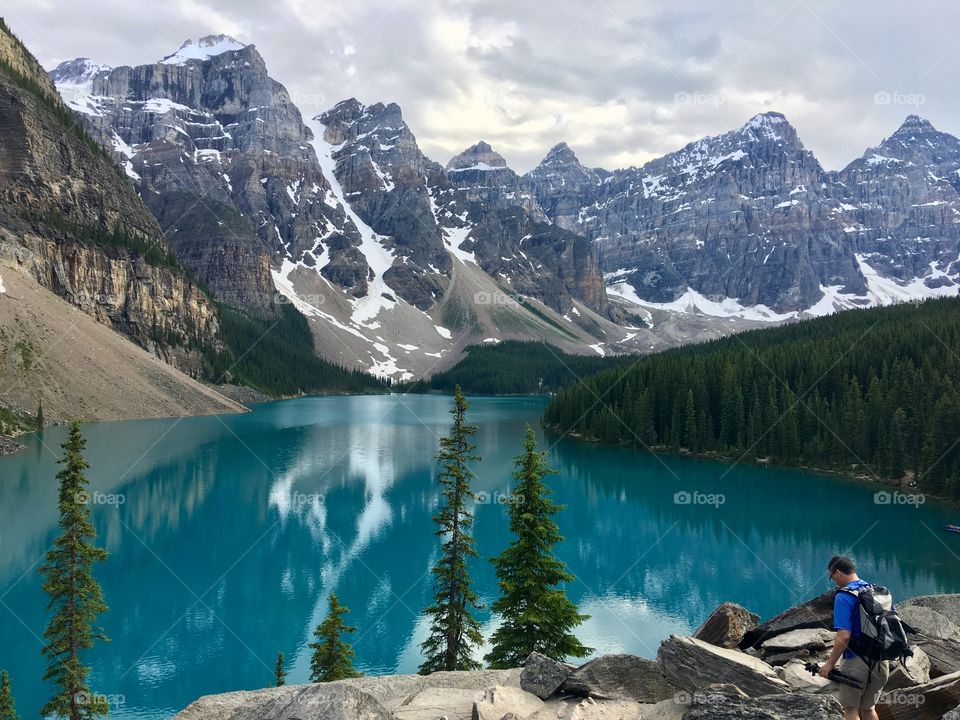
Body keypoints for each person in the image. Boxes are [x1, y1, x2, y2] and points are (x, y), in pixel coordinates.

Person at [819, 555, 889, 720]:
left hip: (856, 662)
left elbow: (844, 635)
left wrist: (829, 664)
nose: (834, 580)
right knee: (869, 708)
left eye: (832, 576)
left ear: (837, 572)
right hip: (881, 659)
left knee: (850, 709)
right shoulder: (876, 590)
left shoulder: (844, 596)